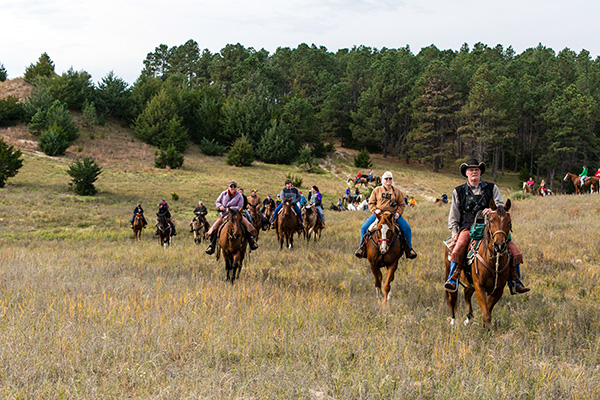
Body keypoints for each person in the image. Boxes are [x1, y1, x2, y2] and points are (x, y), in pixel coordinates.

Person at [444, 158, 530, 294]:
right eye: (471, 170)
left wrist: (493, 210)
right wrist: (454, 232)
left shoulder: (492, 188)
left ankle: (515, 281)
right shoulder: (458, 191)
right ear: (466, 173)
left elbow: (501, 207)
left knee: (515, 251)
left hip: (492, 227)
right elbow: (454, 215)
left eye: (476, 170)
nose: (474, 172)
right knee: (457, 249)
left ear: (480, 172)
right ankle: (453, 278)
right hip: (468, 227)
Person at [355, 171, 417, 259]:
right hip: (379, 214)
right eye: (386, 178)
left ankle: (409, 250)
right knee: (364, 228)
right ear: (382, 180)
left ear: (392, 180)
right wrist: (375, 210)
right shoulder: (377, 190)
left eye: (390, 178)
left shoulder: (397, 191)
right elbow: (371, 203)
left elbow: (402, 204)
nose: (388, 180)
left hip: (392, 215)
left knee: (407, 229)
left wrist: (398, 213)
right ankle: (362, 248)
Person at [205, 181, 258, 254]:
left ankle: (251, 241)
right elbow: (217, 201)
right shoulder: (223, 194)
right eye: (231, 186)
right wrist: (220, 207)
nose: (233, 188)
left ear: (236, 187)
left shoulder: (239, 195)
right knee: (214, 227)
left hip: (236, 214)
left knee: (248, 225)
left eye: (234, 186)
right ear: (228, 187)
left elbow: (240, 205)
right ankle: (212, 245)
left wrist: (228, 208)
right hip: (224, 215)